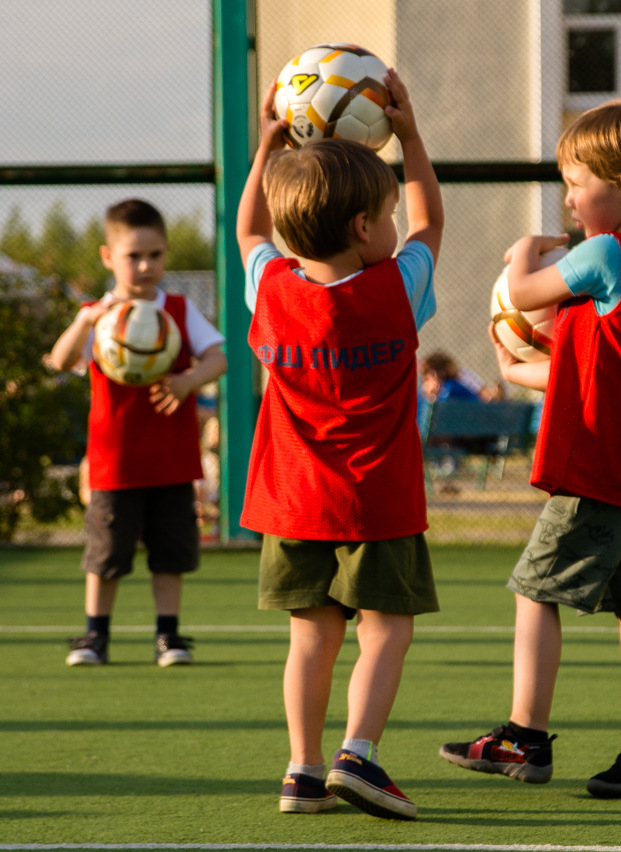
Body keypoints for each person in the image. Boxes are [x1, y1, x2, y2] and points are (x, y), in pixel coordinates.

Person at [438, 99, 621, 797]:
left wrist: (527, 252)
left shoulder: (606, 253)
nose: (570, 198)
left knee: (534, 592)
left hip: (594, 471)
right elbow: (592, 375)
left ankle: (524, 737)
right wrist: (515, 366)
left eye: (578, 182)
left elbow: (523, 288)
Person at [235, 69, 443, 819]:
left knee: (309, 639)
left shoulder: (271, 289)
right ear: (363, 226)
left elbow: (249, 232)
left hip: (292, 502)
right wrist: (411, 136)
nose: (395, 227)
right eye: (383, 214)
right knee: (386, 628)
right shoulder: (395, 287)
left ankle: (301, 770)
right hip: (378, 499)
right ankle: (360, 753)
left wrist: (267, 148)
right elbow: (432, 226)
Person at [48, 198, 228, 668]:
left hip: (172, 460)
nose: (146, 266)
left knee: (170, 555)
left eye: (156, 255)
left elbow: (218, 357)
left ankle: (168, 636)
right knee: (105, 555)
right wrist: (84, 319)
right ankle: (94, 635)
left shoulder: (179, 310)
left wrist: (189, 379)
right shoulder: (99, 316)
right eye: (133, 256)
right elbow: (61, 360)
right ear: (109, 257)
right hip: (115, 461)